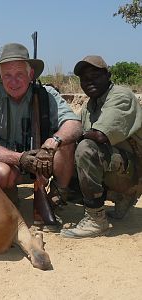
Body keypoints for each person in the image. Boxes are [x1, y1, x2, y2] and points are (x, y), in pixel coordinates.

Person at [0, 43, 82, 226]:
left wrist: (52, 142)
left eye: (19, 74)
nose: (13, 81)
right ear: (0, 76)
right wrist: (20, 158)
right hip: (10, 163)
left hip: (44, 163)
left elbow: (74, 125)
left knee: (67, 142)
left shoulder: (47, 94)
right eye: (7, 75)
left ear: (31, 74)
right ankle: (7, 197)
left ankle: (57, 197)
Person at [61, 55, 142, 238]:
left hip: (136, 171)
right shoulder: (90, 105)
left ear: (108, 75)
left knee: (85, 149)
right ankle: (121, 196)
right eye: (84, 78)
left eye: (95, 76)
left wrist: (68, 138)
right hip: (121, 166)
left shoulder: (121, 96)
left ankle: (96, 220)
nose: (89, 82)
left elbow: (99, 135)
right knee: (71, 183)